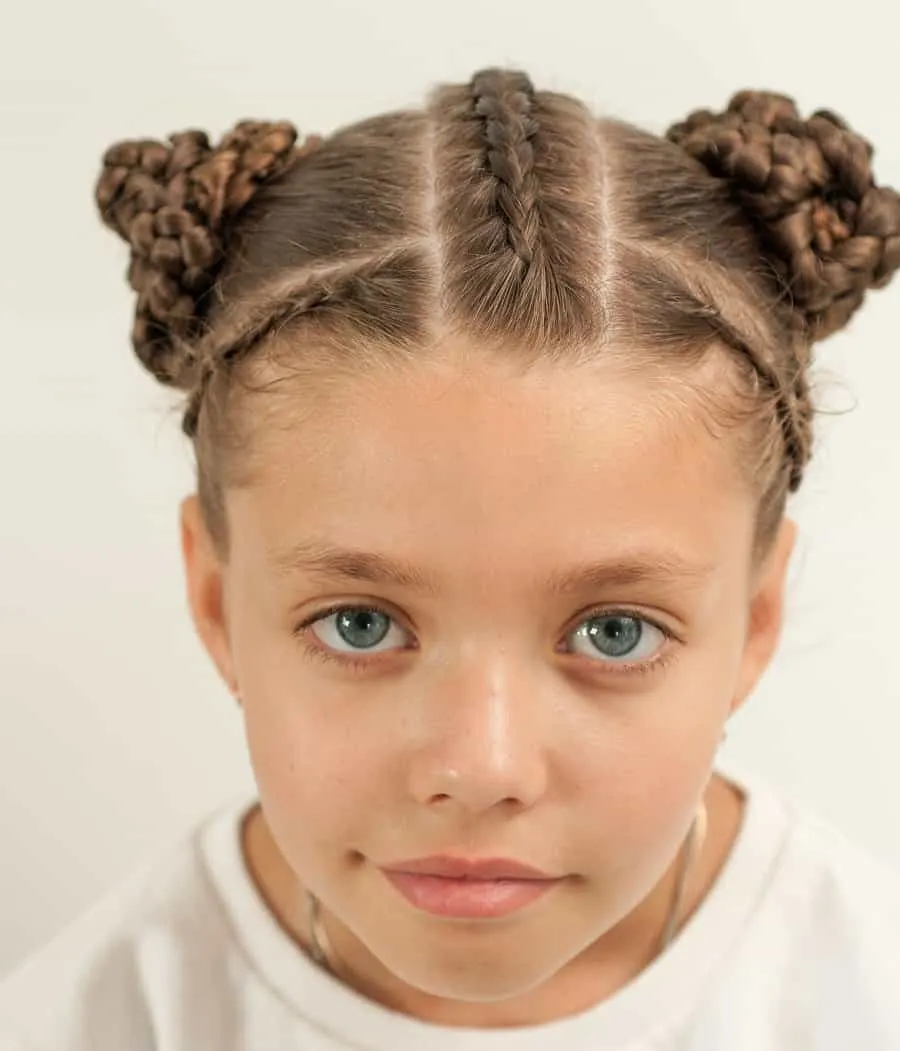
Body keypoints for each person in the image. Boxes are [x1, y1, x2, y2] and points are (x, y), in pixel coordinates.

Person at [2, 67, 899, 1050]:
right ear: (217, 604)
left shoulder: (861, 992)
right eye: (362, 623)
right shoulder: (98, 1018)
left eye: (613, 631)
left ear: (756, 619)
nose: (480, 768)